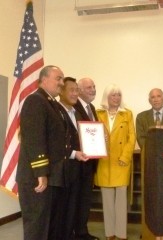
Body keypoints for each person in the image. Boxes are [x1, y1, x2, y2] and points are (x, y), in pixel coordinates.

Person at [16, 65, 69, 240]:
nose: (62, 83)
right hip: (36, 177)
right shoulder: (35, 101)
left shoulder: (51, 103)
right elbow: (34, 139)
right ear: (44, 79)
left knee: (48, 225)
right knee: (37, 227)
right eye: (58, 78)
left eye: (62, 79)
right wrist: (41, 172)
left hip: (50, 175)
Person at [136, 88, 163, 239]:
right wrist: (154, 153)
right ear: (149, 100)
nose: (155, 99)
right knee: (150, 197)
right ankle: (149, 229)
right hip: (150, 164)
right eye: (152, 97)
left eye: (158, 96)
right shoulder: (141, 117)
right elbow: (141, 138)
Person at [94, 84, 136, 240]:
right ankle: (109, 233)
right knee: (107, 199)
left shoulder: (127, 114)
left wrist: (125, 157)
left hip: (121, 162)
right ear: (107, 97)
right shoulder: (98, 113)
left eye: (118, 95)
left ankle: (121, 233)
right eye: (113, 95)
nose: (116, 98)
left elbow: (131, 138)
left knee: (121, 200)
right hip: (104, 161)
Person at [58, 77, 89, 240]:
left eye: (77, 90)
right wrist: (73, 153)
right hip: (61, 170)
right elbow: (56, 140)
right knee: (62, 211)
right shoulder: (55, 110)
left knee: (72, 208)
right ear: (61, 91)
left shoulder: (76, 112)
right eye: (71, 89)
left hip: (76, 169)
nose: (75, 93)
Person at [73, 77, 100, 240]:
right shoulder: (73, 107)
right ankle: (75, 233)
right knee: (75, 200)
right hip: (77, 162)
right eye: (89, 87)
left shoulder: (92, 108)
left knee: (85, 200)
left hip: (90, 163)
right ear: (79, 90)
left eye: (94, 86)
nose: (93, 89)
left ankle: (82, 232)